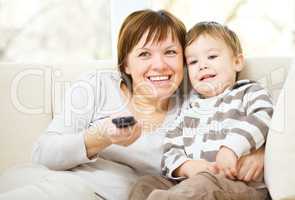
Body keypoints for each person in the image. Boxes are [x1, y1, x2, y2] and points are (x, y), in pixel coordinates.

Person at [0, 11, 266, 200]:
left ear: (184, 61)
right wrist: (100, 137)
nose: (159, 65)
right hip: (49, 181)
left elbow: (245, 117)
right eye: (144, 54)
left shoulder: (195, 102)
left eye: (170, 52)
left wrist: (260, 152)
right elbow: (43, 154)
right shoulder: (96, 86)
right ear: (125, 64)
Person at [129, 21, 273, 200]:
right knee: (146, 184)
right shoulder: (188, 109)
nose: (202, 65)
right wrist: (187, 166)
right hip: (191, 183)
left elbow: (264, 117)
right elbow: (170, 151)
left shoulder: (248, 92)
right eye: (193, 61)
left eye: (212, 57)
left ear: (237, 61)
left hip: (238, 184)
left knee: (202, 185)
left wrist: (232, 148)